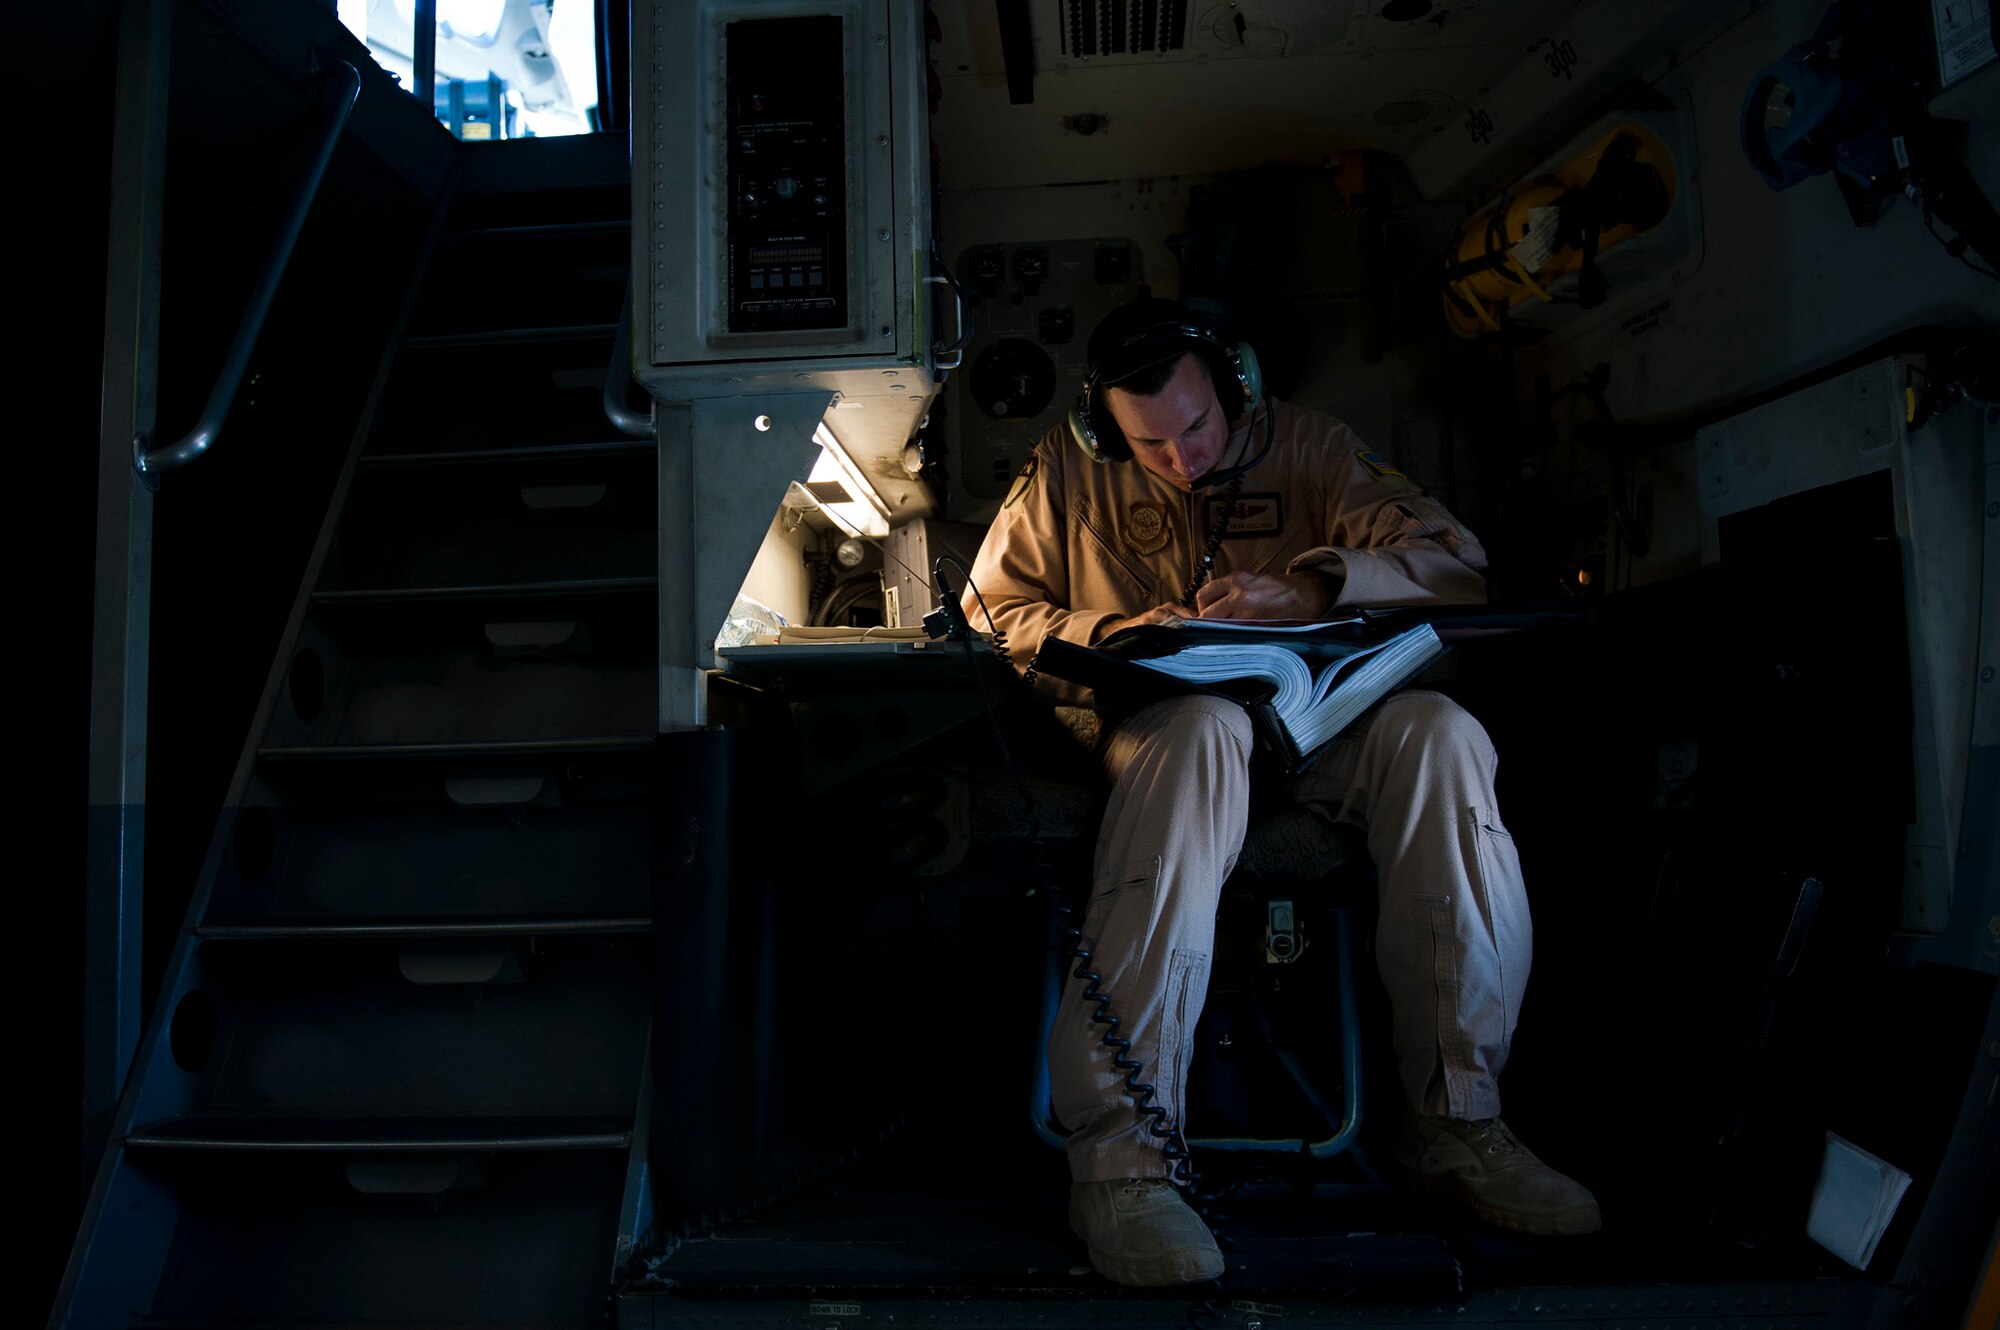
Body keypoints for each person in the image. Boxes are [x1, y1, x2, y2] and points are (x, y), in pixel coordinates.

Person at [959, 296, 1601, 1288]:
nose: (1179, 459)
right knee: (1205, 727)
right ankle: (1123, 1162)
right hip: (1171, 735)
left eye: (1197, 428)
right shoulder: (1064, 469)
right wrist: (1113, 636)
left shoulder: (1309, 445)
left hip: (1317, 737)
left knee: (1441, 734)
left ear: (1234, 385)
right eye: (1149, 444)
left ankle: (1455, 1121)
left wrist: (1314, 588)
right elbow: (992, 606)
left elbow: (1454, 566)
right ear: (1102, 426)